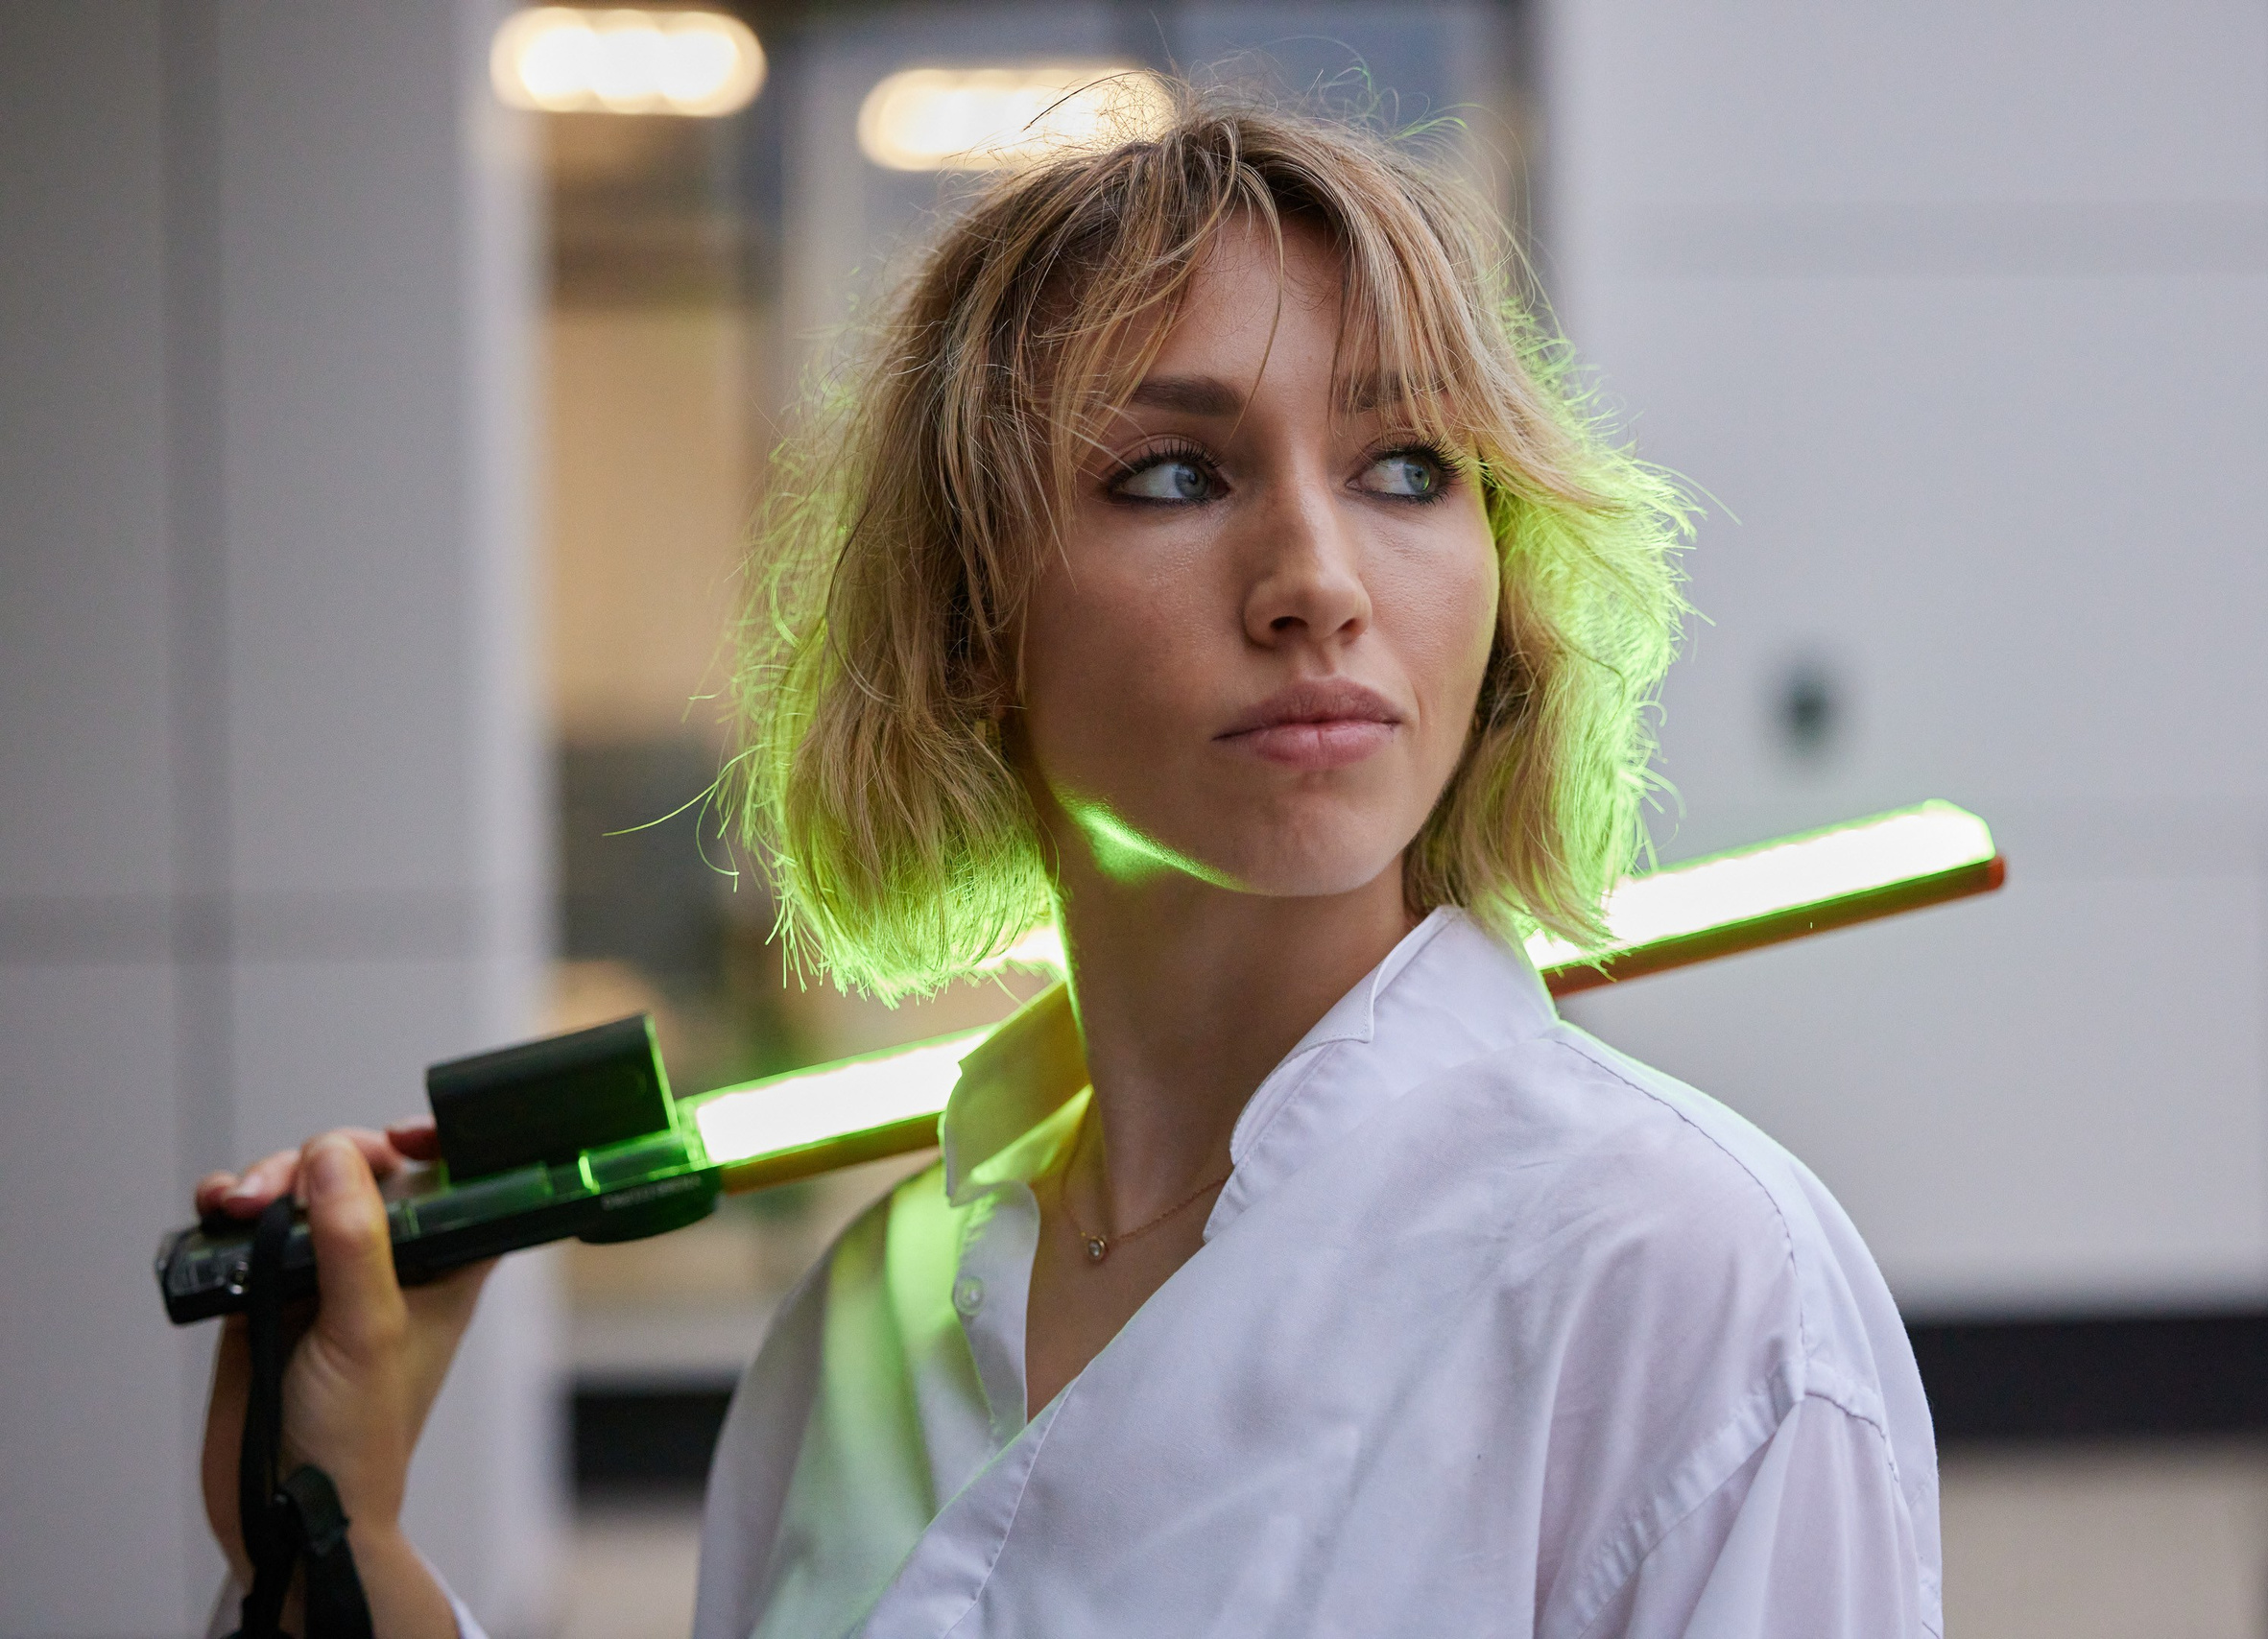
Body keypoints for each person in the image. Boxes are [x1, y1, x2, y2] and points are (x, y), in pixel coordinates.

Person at [194, 88, 1942, 1638]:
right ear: (969, 625)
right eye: (1176, 475)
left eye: (1410, 467)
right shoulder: (859, 1330)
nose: (1317, 580)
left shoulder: (1682, 1287)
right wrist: (331, 1539)